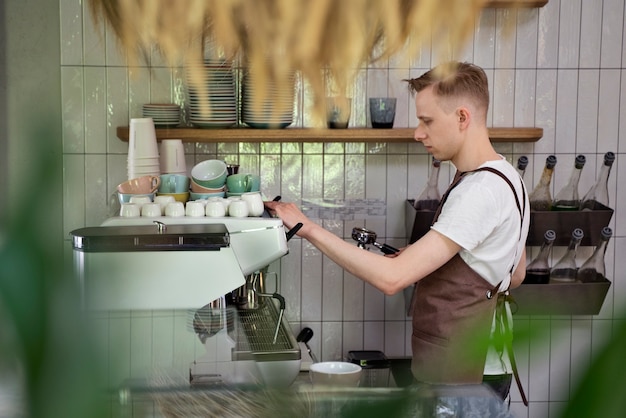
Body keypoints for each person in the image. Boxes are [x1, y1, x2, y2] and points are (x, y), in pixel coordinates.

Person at [265, 61, 530, 402]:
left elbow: (392, 279)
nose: (419, 133)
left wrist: (308, 228)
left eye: (427, 121)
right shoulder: (508, 178)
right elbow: (515, 273)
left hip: (465, 375)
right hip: (489, 366)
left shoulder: (478, 191)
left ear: (463, 118)